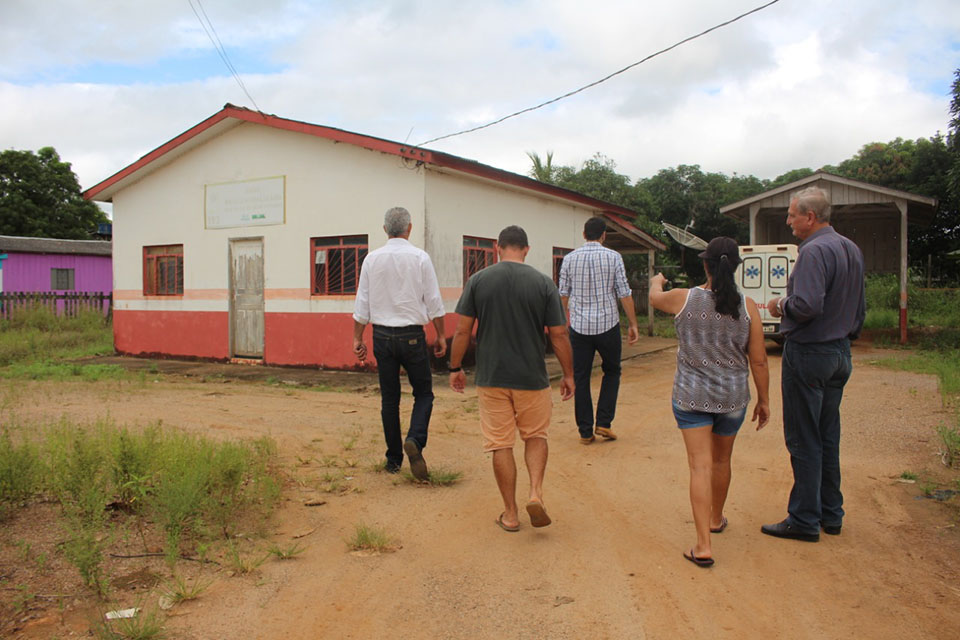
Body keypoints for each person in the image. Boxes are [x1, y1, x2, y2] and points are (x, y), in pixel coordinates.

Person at [649, 236, 770, 567]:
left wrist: (655, 280)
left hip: (691, 397)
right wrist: (764, 400)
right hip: (732, 399)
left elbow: (655, 298)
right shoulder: (748, 308)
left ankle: (703, 545)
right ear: (737, 269)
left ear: (706, 265)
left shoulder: (685, 299)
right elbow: (758, 360)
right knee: (721, 461)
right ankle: (716, 518)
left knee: (699, 466)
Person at [448, 225, 574, 532]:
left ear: (498, 248)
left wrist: (455, 368)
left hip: (492, 377)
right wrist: (569, 374)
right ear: (527, 249)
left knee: (500, 443)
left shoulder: (478, 280)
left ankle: (511, 513)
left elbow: (463, 330)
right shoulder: (544, 283)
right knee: (536, 436)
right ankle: (536, 494)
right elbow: (558, 335)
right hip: (532, 377)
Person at [761, 187, 865, 542]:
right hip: (839, 353)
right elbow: (859, 307)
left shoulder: (813, 251)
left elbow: (806, 305)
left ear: (810, 217)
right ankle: (830, 514)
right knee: (826, 436)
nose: (788, 222)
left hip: (809, 353)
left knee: (804, 439)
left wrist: (779, 304)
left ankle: (804, 519)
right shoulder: (850, 248)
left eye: (792, 215)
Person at [352, 206, 447, 481]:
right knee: (424, 393)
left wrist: (357, 337)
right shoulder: (420, 258)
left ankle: (393, 460)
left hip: (381, 336)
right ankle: (415, 440)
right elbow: (434, 302)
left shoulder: (371, 259)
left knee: (390, 398)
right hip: (412, 335)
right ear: (410, 228)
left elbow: (362, 304)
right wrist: (440, 335)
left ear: (385, 229)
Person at [558, 216, 639, 444]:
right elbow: (624, 293)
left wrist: (560, 325)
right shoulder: (614, 257)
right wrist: (633, 324)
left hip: (579, 328)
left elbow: (563, 294)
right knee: (612, 372)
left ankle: (585, 432)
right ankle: (604, 422)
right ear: (604, 235)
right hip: (608, 326)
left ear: (584, 234)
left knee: (580, 377)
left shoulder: (569, 259)